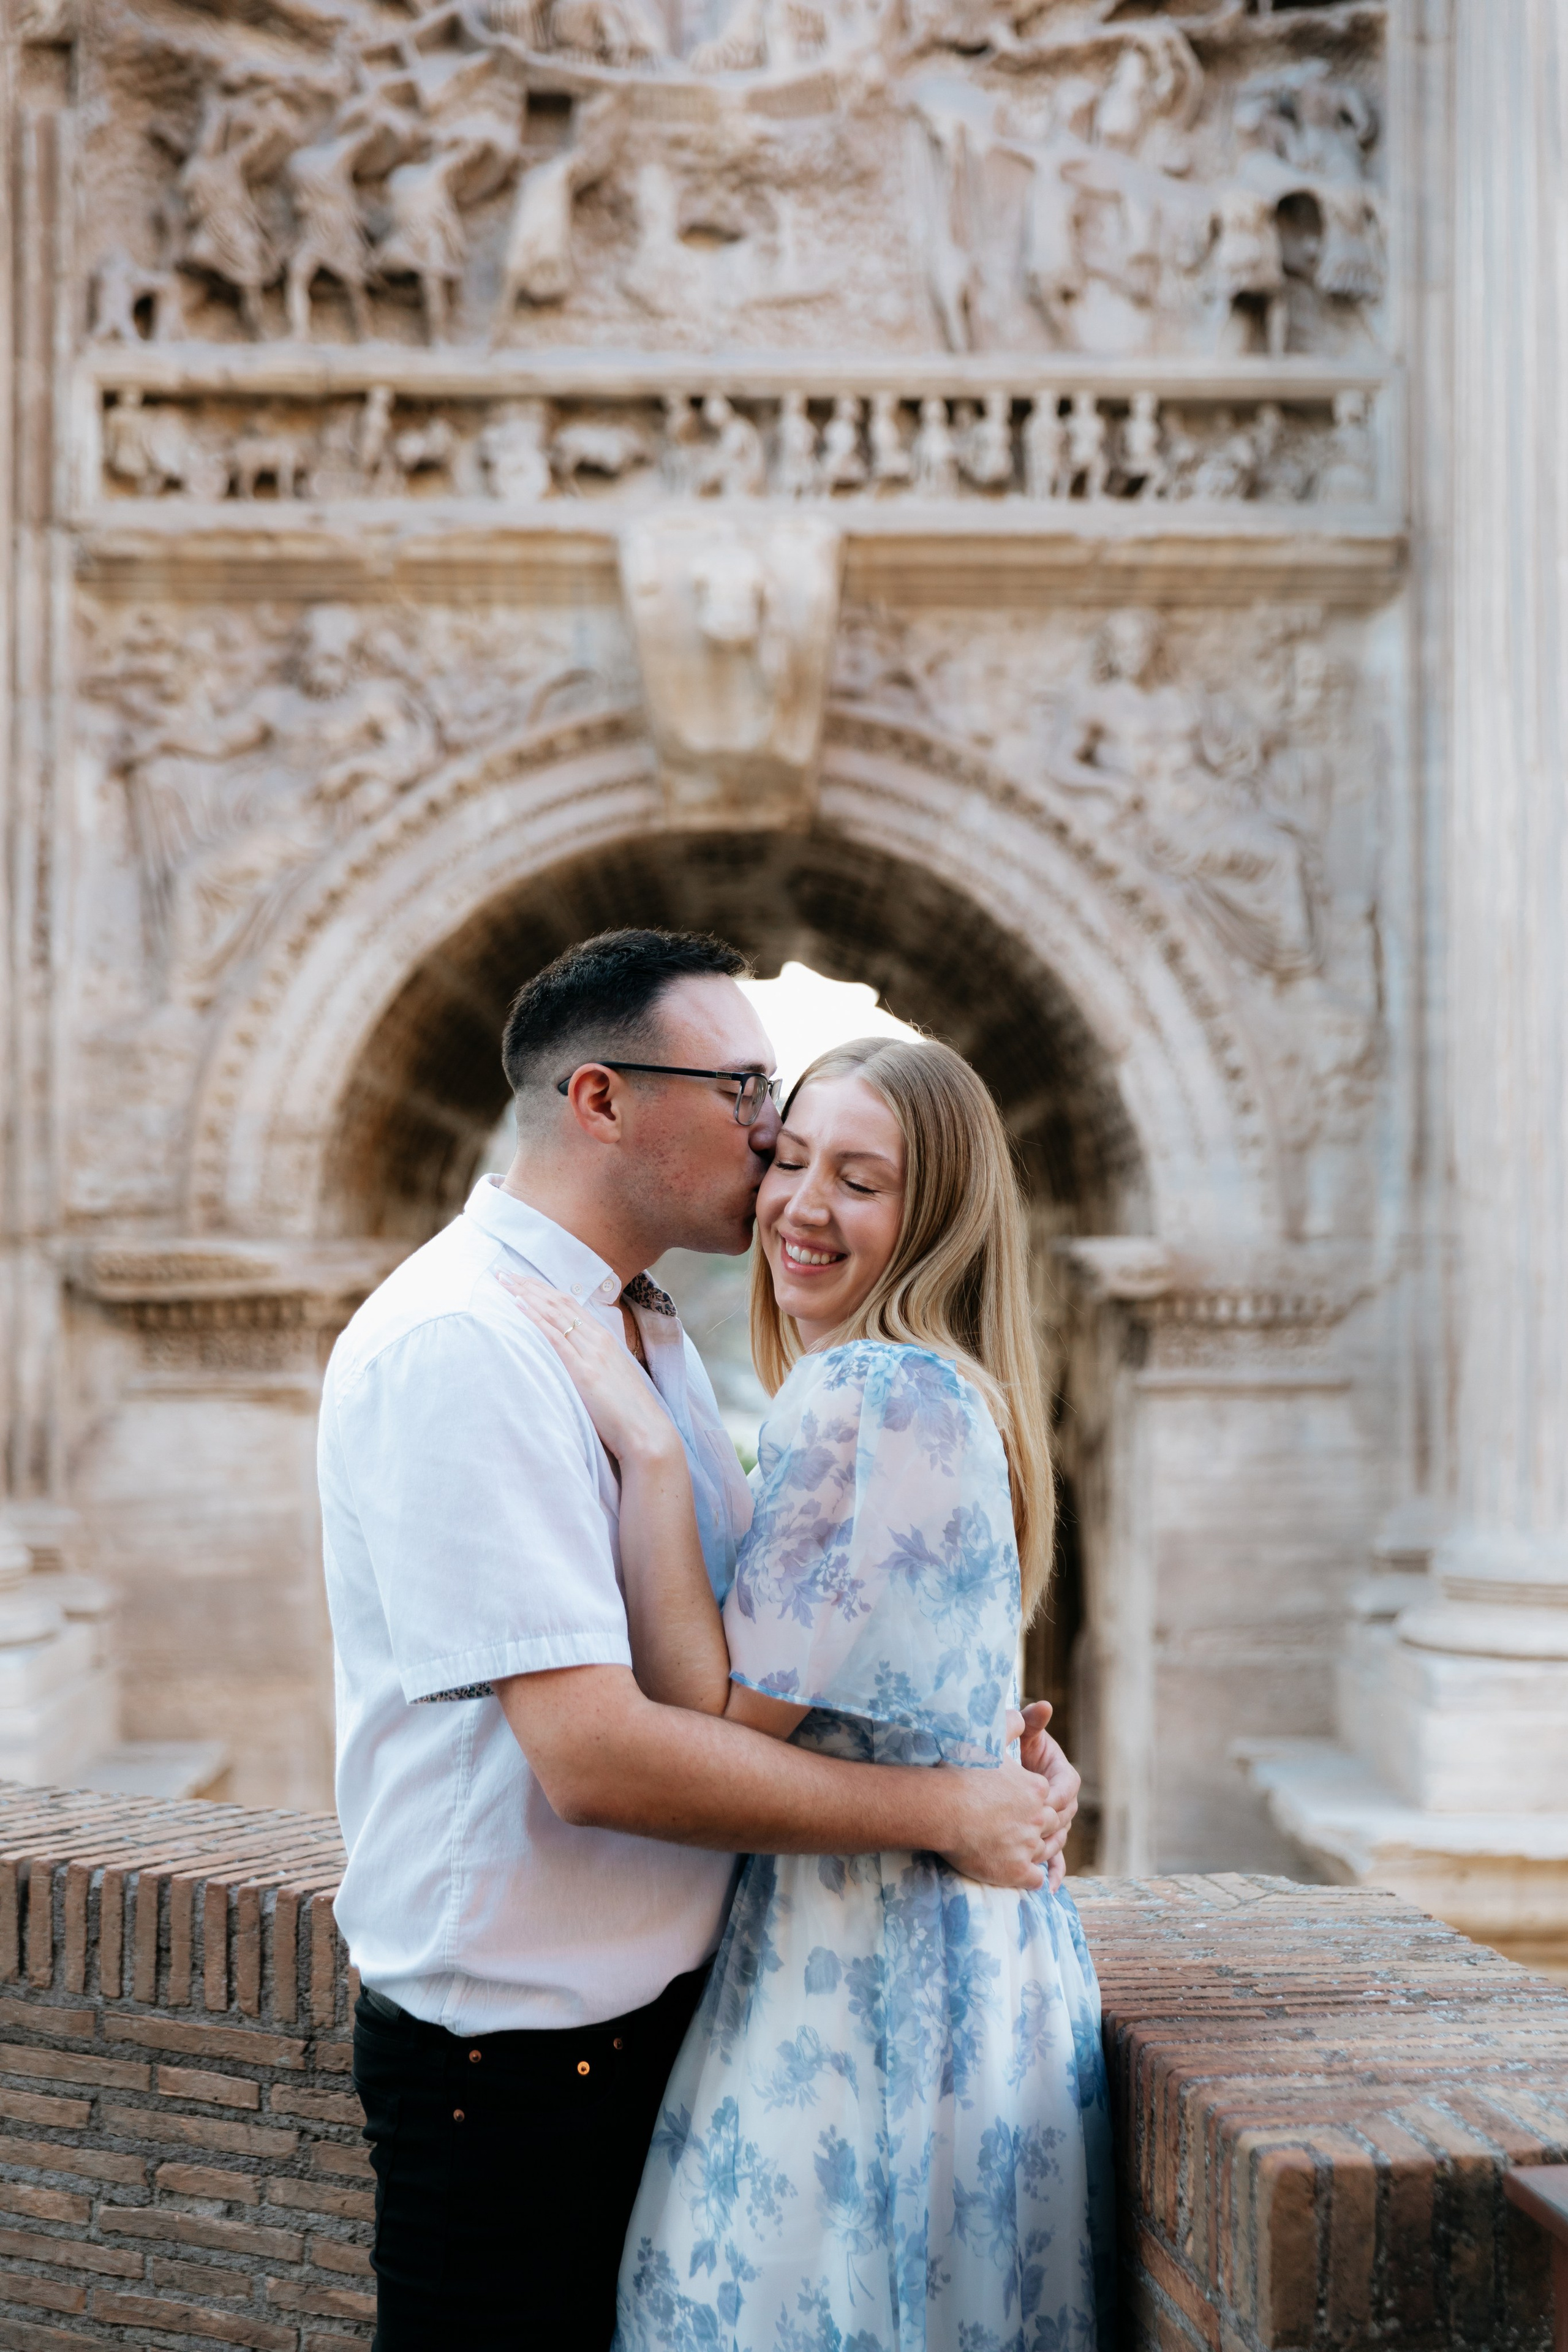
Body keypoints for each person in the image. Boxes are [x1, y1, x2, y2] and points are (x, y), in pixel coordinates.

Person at [318, 929, 1084, 2351]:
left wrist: (974, 1743)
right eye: (746, 1096)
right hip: (515, 2062)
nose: (765, 1138)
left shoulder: (651, 1329)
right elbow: (600, 1760)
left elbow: (784, 1655)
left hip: (689, 2020)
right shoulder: (466, 1345)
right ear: (602, 1100)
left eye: (836, 1160)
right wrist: (951, 1802)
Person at [506, 1033, 1115, 2351]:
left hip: (863, 1982)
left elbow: (716, 1724)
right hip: (962, 1966)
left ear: (936, 1212)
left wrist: (650, 1448)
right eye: (788, 1161)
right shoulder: (949, 1390)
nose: (800, 1207)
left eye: (860, 1179)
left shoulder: (867, 1394)